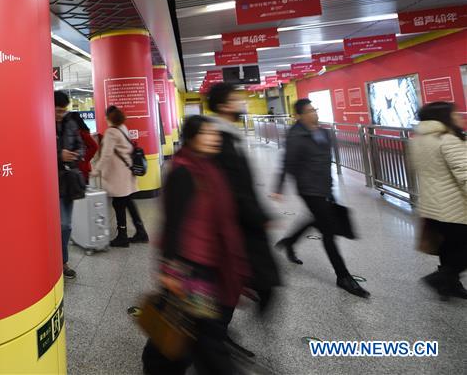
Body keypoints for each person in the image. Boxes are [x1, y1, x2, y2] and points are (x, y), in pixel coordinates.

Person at [142, 115, 249, 375]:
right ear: (192, 138)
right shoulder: (183, 172)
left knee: (186, 322)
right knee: (203, 329)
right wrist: (170, 270)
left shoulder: (209, 168)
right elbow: (173, 223)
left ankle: (158, 364)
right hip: (191, 268)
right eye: (206, 133)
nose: (214, 138)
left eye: (214, 133)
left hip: (208, 260)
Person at [272, 98, 370, 298]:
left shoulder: (323, 132)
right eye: (309, 111)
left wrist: (329, 185)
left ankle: (290, 242)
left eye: (314, 109)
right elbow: (287, 163)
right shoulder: (296, 136)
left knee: (317, 219)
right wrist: (279, 187)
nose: (314, 113)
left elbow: (324, 161)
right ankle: (343, 276)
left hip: (325, 186)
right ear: (299, 116)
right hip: (309, 189)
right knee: (328, 232)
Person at [206, 82, 280, 312]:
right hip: (235, 218)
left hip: (239, 216)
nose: (241, 103)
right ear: (223, 106)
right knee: (236, 273)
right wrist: (257, 216)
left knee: (236, 273)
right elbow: (234, 186)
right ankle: (218, 327)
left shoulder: (228, 134)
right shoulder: (220, 140)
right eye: (235, 99)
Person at [409, 101, 467, 299]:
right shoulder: (448, 139)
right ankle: (441, 278)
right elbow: (464, 173)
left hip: (432, 204)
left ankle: (449, 285)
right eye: (455, 114)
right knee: (459, 247)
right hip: (455, 205)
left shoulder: (419, 140)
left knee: (448, 245)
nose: (460, 117)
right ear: (444, 117)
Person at [93, 105, 147, 247]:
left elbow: (106, 155)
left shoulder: (111, 132)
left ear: (107, 117)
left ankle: (122, 236)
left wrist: (96, 170)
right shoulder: (123, 128)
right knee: (128, 202)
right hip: (127, 172)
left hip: (118, 176)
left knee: (119, 204)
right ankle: (141, 232)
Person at [55, 91, 85, 279]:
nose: (61, 114)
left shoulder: (71, 123)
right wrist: (60, 156)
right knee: (61, 224)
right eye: (58, 110)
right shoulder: (42, 123)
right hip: (50, 182)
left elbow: (81, 146)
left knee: (66, 225)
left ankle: (63, 262)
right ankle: (57, 261)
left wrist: (76, 154)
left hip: (68, 181)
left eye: (63, 111)